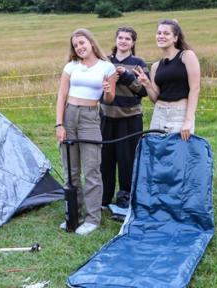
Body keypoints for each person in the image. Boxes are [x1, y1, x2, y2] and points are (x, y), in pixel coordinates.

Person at [55, 28, 116, 235]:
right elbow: (61, 96)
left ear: (91, 42)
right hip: (69, 115)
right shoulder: (70, 67)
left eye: (82, 43)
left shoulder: (107, 68)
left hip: (90, 117)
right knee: (70, 171)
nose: (79, 47)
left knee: (91, 170)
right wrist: (59, 124)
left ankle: (92, 219)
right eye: (75, 45)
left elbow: (109, 99)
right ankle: (74, 214)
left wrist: (107, 92)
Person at [100, 26, 148, 210]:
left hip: (130, 118)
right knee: (105, 159)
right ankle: (104, 199)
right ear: (116, 39)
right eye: (120, 37)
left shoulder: (138, 63)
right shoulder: (104, 61)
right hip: (106, 116)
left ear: (133, 42)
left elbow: (143, 90)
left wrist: (127, 77)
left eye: (128, 38)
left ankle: (125, 198)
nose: (123, 41)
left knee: (127, 159)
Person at [134, 19, 200, 141]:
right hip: (159, 114)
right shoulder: (155, 66)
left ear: (175, 38)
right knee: (158, 155)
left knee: (178, 155)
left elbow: (195, 89)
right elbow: (155, 99)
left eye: (166, 33)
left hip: (180, 114)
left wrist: (188, 121)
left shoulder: (186, 56)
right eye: (159, 33)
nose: (161, 36)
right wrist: (147, 84)